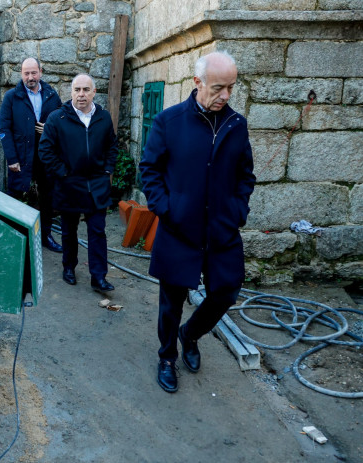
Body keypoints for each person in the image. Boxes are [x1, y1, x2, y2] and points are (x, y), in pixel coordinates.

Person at [139, 51, 256, 393]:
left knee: (226, 291)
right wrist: (166, 208)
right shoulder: (169, 122)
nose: (226, 96)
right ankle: (166, 357)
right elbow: (150, 169)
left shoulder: (236, 125)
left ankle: (190, 335)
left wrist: (237, 211)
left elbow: (245, 176)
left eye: (231, 87)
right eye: (219, 88)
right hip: (179, 229)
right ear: (197, 83)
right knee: (170, 302)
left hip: (222, 229)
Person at [39, 74, 117, 294]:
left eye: (86, 90)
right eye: (77, 90)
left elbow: (112, 146)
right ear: (71, 92)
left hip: (97, 186)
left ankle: (99, 276)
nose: (81, 94)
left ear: (94, 92)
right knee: (68, 231)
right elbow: (45, 151)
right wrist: (63, 172)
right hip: (69, 185)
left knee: (97, 231)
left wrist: (108, 169)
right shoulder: (57, 118)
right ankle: (69, 268)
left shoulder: (103, 118)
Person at [0, 58, 63, 253]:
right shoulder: (12, 97)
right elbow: (4, 129)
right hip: (21, 155)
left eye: (33, 73)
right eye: (26, 73)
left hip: (45, 156)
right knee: (15, 195)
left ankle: (45, 236)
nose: (30, 77)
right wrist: (11, 158)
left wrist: (50, 128)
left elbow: (63, 122)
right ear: (21, 74)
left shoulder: (52, 95)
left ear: (40, 72)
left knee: (47, 197)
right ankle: (12, 237)